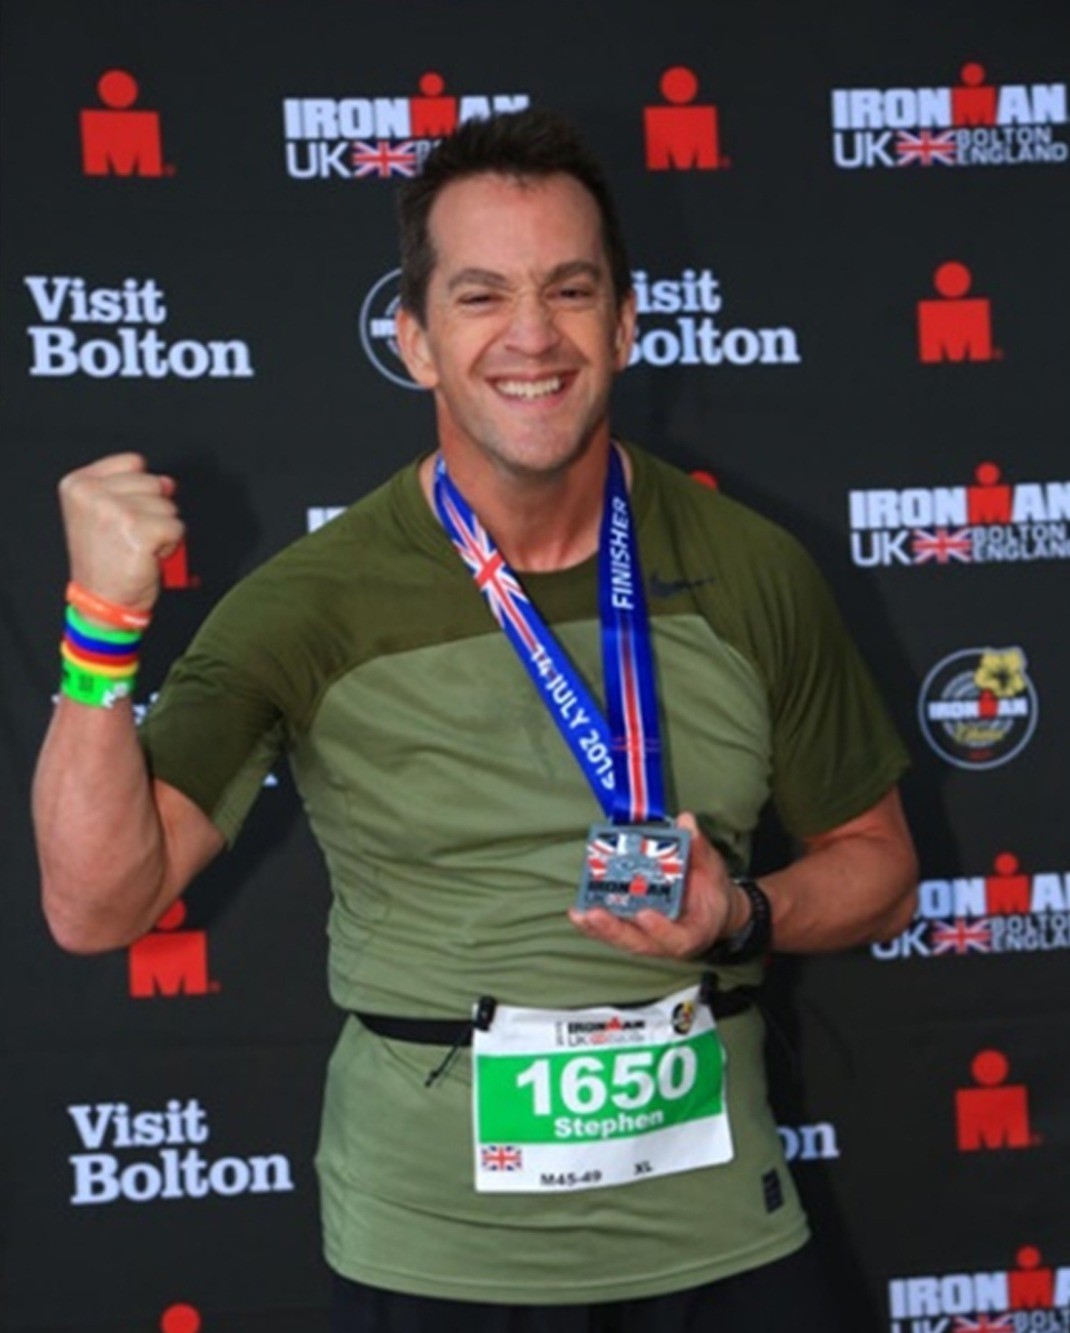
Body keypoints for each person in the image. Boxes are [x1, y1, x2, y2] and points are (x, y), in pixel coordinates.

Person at [34, 109, 917, 1332]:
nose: (530, 334)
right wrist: (98, 629)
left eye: (569, 289)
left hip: (721, 1234)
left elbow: (879, 870)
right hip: (438, 1257)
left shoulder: (754, 569)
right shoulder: (309, 602)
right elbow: (95, 905)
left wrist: (741, 912)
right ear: (413, 340)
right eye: (479, 295)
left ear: (624, 323)